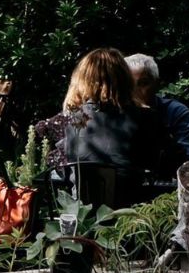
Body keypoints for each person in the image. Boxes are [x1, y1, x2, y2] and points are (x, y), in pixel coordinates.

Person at [53, 47, 159, 179]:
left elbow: (62, 167)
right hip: (131, 197)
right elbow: (169, 162)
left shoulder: (68, 120)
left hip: (79, 198)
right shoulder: (143, 117)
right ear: (125, 79)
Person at [125, 53, 189, 162]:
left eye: (143, 83)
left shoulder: (175, 112)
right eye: (129, 85)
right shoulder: (115, 114)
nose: (135, 91)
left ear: (157, 83)